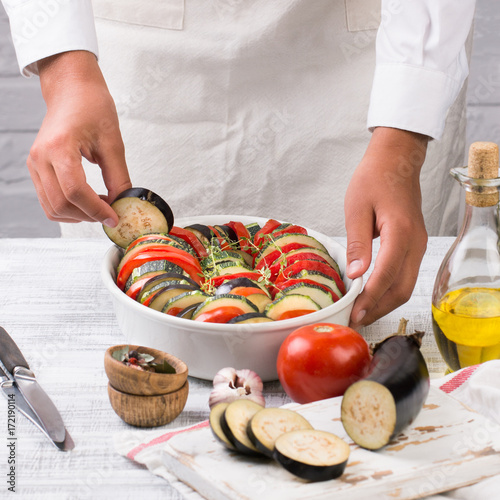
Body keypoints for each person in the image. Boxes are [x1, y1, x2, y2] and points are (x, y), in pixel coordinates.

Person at [2, 0, 477, 328]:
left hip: (363, 55)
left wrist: (401, 143)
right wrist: (66, 75)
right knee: (131, 320)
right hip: (136, 51)